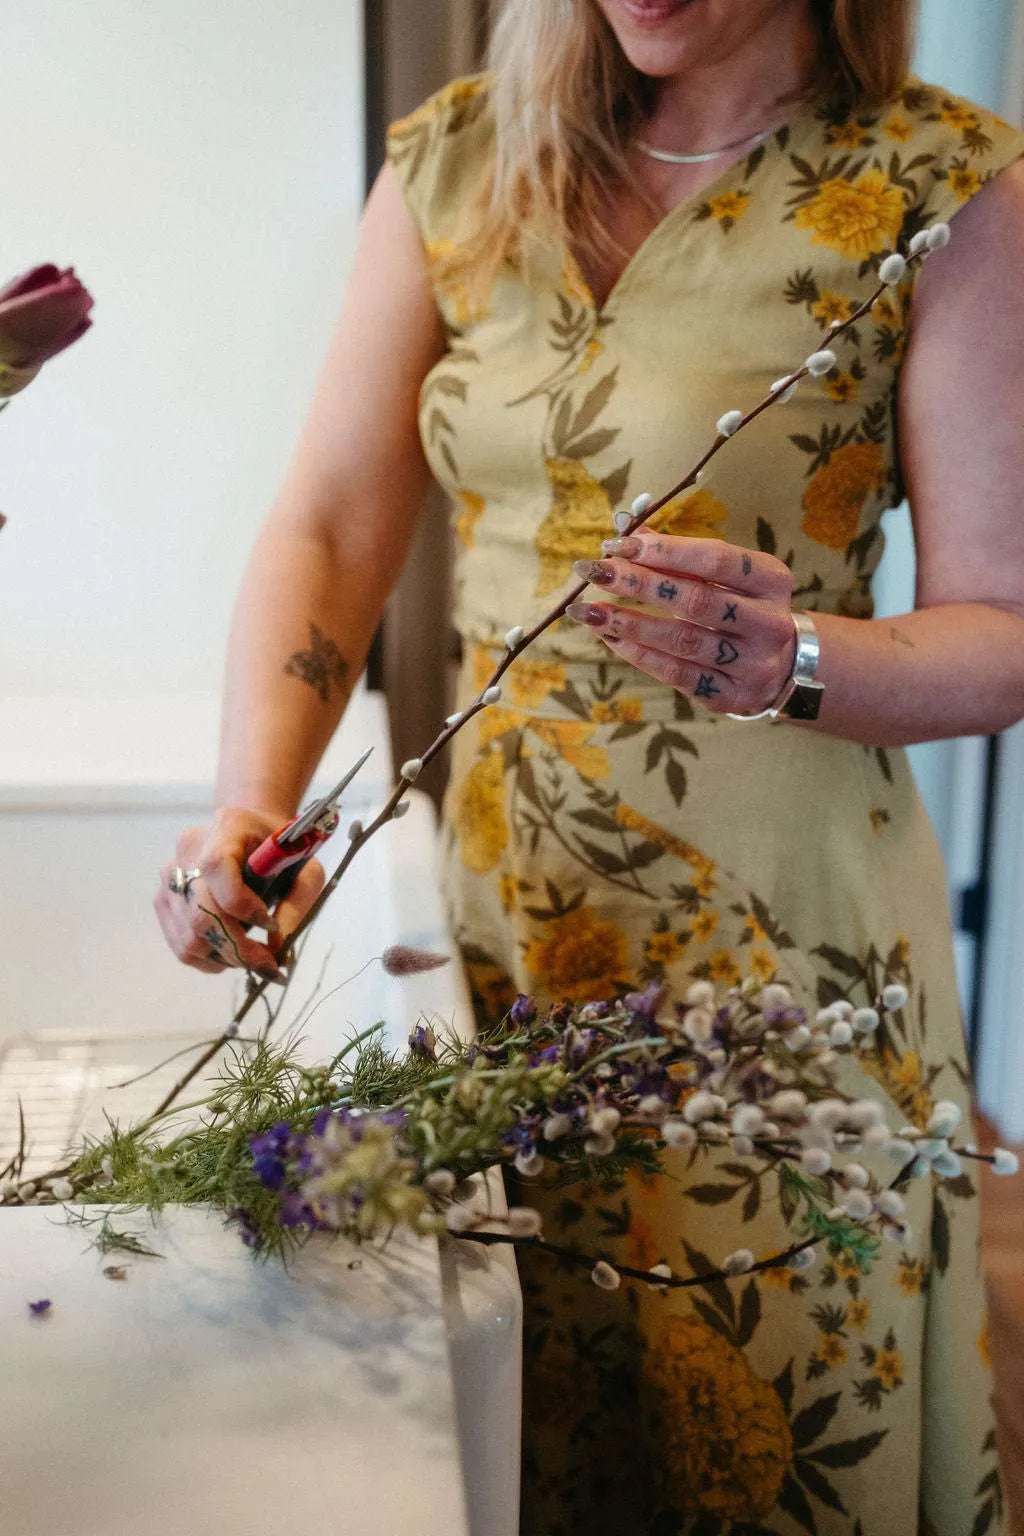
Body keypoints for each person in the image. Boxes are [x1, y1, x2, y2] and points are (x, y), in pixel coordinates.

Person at [155, 0, 1024, 1528]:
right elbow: (332, 528)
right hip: (513, 954)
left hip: (790, 974)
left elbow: (1003, 627)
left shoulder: (942, 182)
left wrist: (803, 659)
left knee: (781, 1429)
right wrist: (255, 801)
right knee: (527, 1418)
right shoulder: (460, 165)